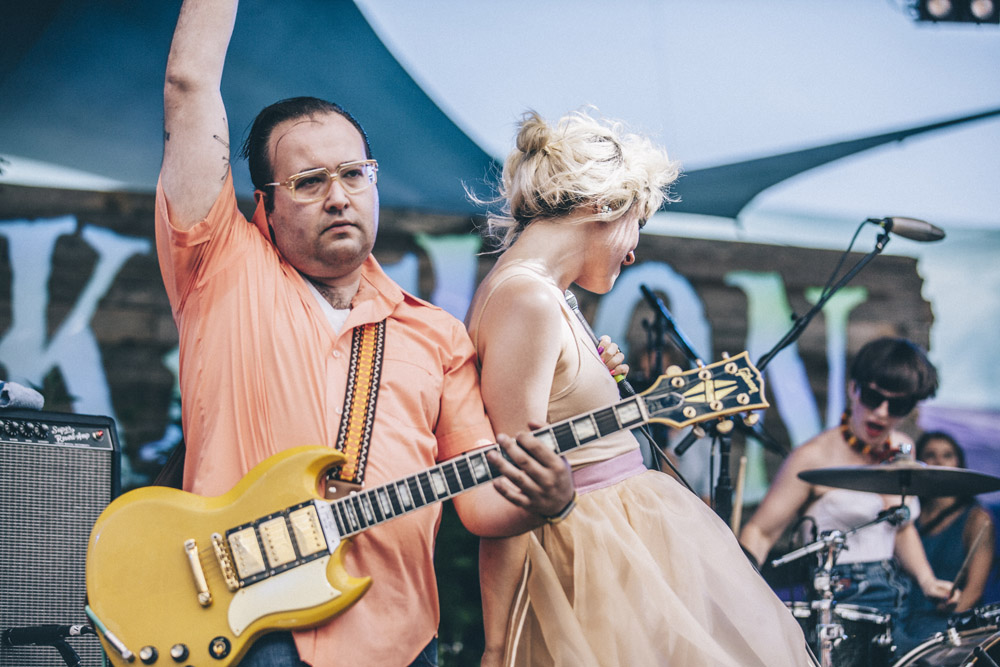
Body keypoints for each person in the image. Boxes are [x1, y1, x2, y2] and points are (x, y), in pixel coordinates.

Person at [156, 2, 574, 666]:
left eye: (354, 174)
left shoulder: (436, 335)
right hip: (242, 630)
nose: (340, 196)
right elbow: (189, 86)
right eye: (309, 181)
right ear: (261, 204)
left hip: (395, 639)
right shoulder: (218, 266)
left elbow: (482, 503)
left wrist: (544, 499)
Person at [466, 109, 813, 667]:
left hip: (617, 546)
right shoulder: (526, 299)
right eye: (637, 224)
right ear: (599, 207)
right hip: (593, 560)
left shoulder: (546, 296)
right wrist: (499, 646)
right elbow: (516, 486)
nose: (632, 252)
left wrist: (590, 378)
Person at [740, 337, 959, 655]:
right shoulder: (813, 456)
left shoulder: (901, 448)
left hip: (898, 595)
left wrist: (927, 581)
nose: (882, 413)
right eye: (873, 397)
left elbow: (901, 526)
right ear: (853, 389)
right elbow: (760, 531)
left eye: (897, 405)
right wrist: (739, 586)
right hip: (839, 599)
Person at [901, 431, 996, 645]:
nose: (939, 462)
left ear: (959, 461)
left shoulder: (977, 518)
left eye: (947, 455)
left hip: (948, 627)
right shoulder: (908, 513)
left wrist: (948, 627)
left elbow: (975, 589)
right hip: (903, 619)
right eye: (930, 455)